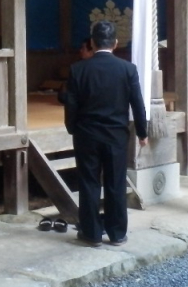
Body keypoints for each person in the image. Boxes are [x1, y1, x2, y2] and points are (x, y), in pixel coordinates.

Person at [63, 20, 148, 247]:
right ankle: (117, 232)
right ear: (116, 43)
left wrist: (72, 128)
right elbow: (137, 104)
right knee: (115, 183)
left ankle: (91, 233)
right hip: (116, 136)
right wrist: (142, 132)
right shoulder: (127, 69)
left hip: (86, 134)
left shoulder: (78, 69)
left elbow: (70, 105)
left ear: (92, 42)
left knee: (89, 183)